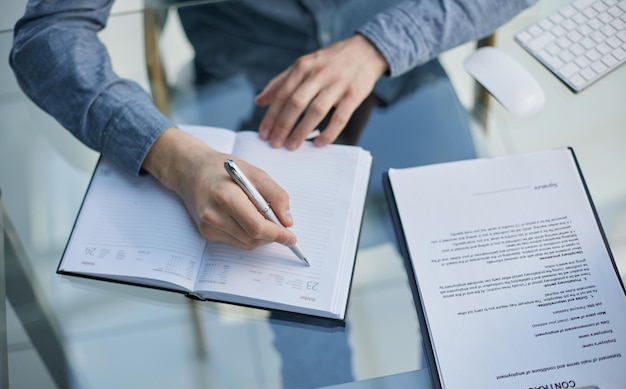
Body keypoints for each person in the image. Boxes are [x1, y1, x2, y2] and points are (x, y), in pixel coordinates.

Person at [10, 0, 537, 253]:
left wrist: (380, 45)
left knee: (474, 279)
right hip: (239, 102)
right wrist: (177, 158)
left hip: (404, 73)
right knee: (302, 330)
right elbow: (48, 35)